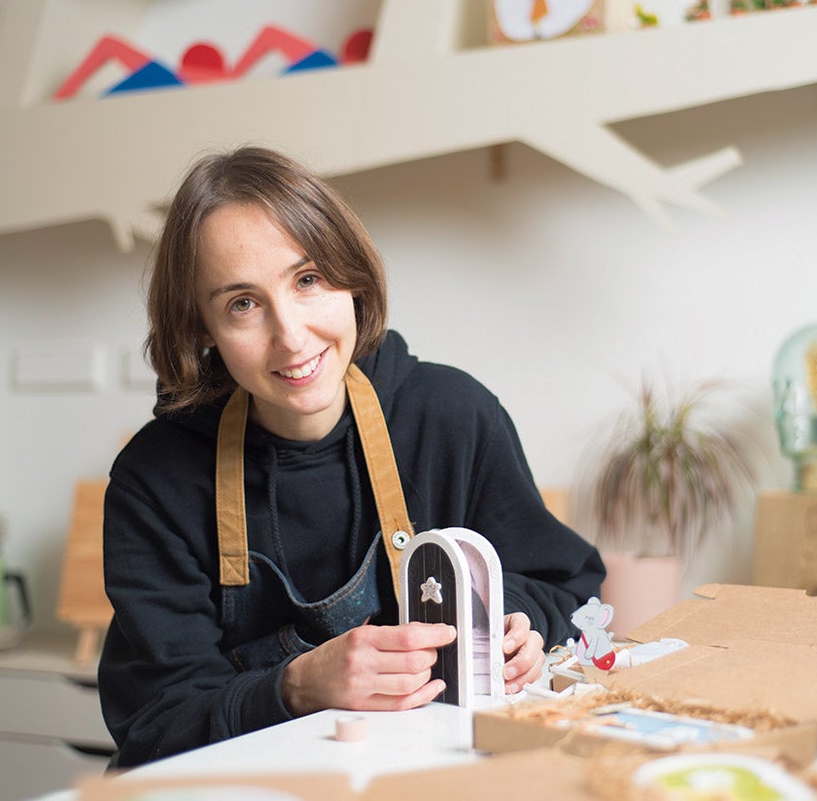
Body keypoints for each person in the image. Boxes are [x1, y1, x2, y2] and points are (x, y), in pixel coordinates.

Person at [98, 146, 605, 768]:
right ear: (201, 328)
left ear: (352, 279)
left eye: (307, 280)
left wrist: (519, 626)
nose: (291, 336)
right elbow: (153, 722)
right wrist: (297, 685)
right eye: (242, 304)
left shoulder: (451, 416)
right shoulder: (155, 478)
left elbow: (569, 586)